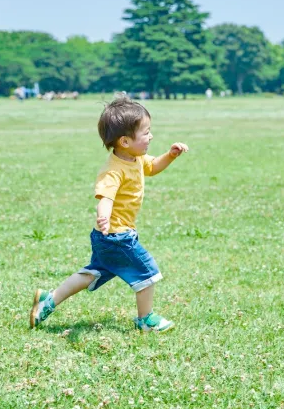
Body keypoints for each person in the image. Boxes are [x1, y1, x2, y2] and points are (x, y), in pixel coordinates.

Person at [29, 97, 189, 332]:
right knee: (147, 272)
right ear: (125, 141)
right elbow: (106, 197)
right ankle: (145, 319)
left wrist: (171, 155)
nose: (151, 136)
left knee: (92, 273)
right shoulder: (113, 171)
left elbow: (153, 166)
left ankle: (49, 299)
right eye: (146, 132)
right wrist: (103, 216)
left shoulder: (135, 158)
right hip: (116, 235)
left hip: (110, 237)